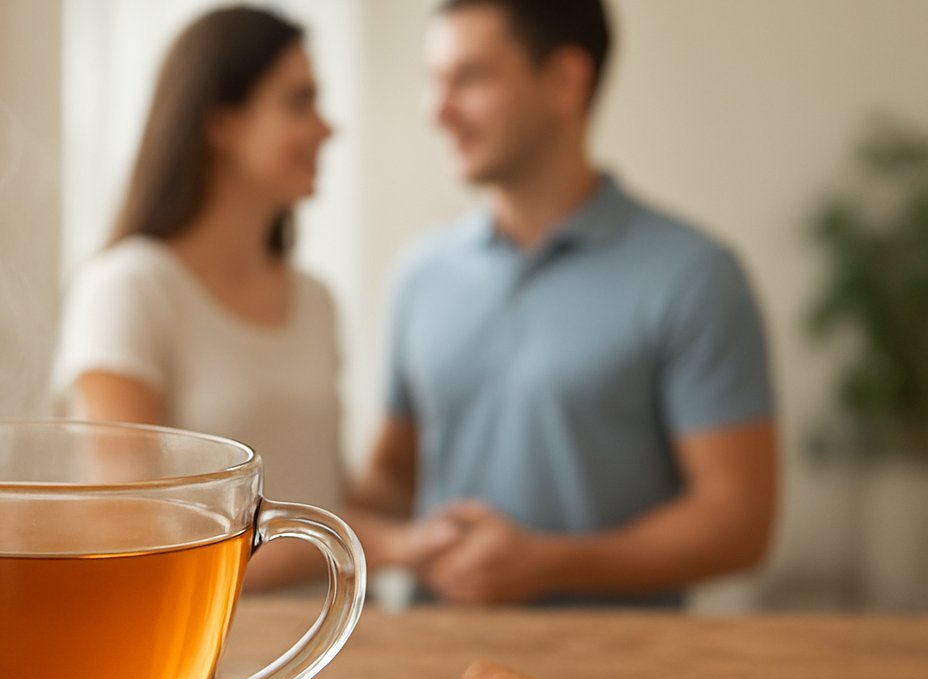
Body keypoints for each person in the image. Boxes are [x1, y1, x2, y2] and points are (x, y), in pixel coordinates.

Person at [353, 0, 778, 606]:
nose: (437, 111)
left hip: (619, 677)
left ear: (564, 82)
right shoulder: (421, 273)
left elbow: (740, 523)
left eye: (468, 79)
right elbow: (393, 481)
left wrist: (548, 563)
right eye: (434, 80)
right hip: (431, 666)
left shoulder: (694, 276)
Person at [55, 5, 454, 589]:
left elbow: (327, 495)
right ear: (222, 125)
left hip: (334, 646)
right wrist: (390, 544)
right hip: (197, 660)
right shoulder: (129, 290)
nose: (327, 128)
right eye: (300, 102)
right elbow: (134, 532)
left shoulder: (315, 302)